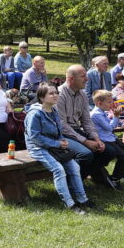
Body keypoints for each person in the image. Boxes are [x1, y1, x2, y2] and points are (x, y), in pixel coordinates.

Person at [24, 84, 93, 215]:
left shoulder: (54, 111)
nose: (55, 95)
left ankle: (83, 200)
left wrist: (62, 141)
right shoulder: (35, 114)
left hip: (54, 147)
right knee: (58, 169)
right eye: (51, 93)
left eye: (56, 92)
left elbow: (58, 131)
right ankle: (69, 204)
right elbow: (34, 137)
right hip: (38, 148)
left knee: (74, 167)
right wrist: (57, 144)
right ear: (41, 97)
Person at [57, 65, 116, 187]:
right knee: (86, 154)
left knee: (108, 151)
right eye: (83, 76)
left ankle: (79, 179)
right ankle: (68, 184)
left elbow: (86, 120)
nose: (86, 79)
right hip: (60, 134)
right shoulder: (59, 94)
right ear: (71, 79)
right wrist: (85, 141)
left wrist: (97, 139)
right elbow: (62, 125)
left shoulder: (82, 94)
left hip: (75, 130)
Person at [91, 90, 124, 188]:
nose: (111, 104)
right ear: (99, 103)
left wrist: (116, 117)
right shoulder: (96, 114)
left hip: (110, 137)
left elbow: (112, 124)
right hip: (104, 139)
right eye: (109, 102)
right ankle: (115, 178)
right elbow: (109, 127)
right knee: (123, 156)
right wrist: (116, 117)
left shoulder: (102, 112)